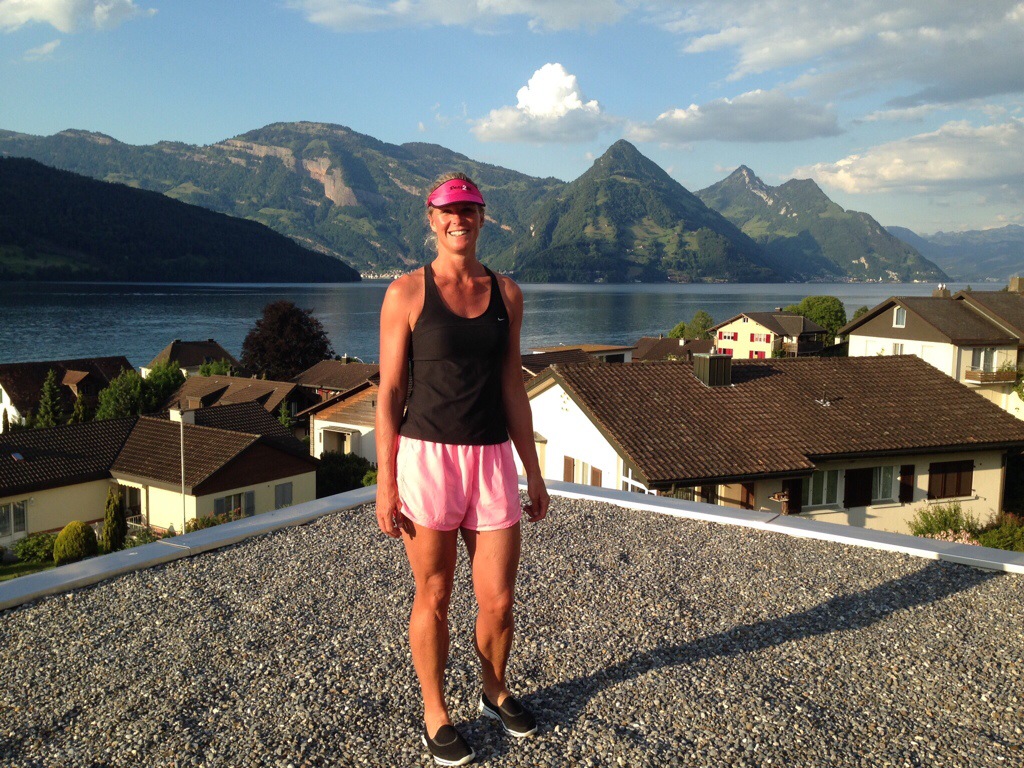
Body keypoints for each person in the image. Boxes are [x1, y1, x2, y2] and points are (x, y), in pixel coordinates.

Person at [375, 172, 550, 766]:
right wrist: (386, 480)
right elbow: (389, 392)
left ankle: (493, 691)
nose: (459, 219)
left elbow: (512, 387)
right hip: (427, 459)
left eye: (469, 209)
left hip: (493, 459)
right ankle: (435, 713)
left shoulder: (507, 293)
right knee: (435, 592)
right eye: (448, 210)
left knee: (498, 600)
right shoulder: (405, 293)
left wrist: (533, 471)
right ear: (431, 218)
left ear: (482, 217)